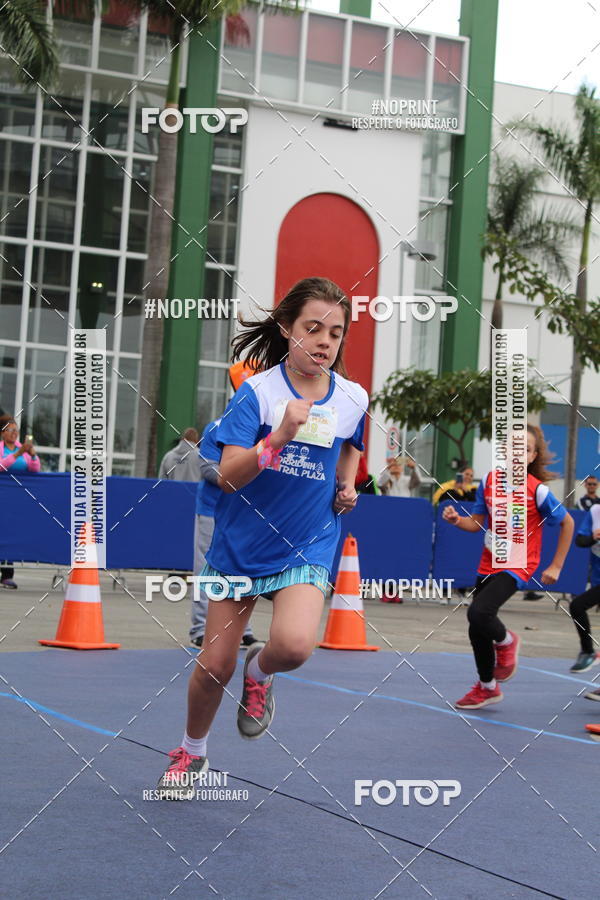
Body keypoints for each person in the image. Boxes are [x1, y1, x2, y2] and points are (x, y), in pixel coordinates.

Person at [156, 277, 368, 798]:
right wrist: (278, 438)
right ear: (286, 329)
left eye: (335, 333)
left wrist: (345, 485)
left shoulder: (352, 396)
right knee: (213, 668)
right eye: (312, 328)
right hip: (241, 547)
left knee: (294, 646)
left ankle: (263, 668)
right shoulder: (259, 393)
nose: (324, 341)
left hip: (308, 542)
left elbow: (351, 444)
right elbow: (227, 474)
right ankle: (193, 752)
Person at [442, 425, 574, 709]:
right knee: (476, 625)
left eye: (524, 449)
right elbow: (476, 522)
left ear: (531, 456)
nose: (517, 453)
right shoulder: (490, 481)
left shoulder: (536, 491)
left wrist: (557, 565)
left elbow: (567, 522)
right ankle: (487, 687)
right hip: (489, 563)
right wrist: (456, 520)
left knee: (481, 612)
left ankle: (506, 641)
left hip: (518, 564)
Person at [189, 418, 256, 649]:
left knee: (243, 571)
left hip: (243, 513)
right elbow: (207, 466)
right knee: (204, 569)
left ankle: (243, 629)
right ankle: (200, 628)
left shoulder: (260, 429)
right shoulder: (216, 428)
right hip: (211, 509)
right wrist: (239, 474)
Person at [1, 416, 41, 588]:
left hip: (16, 498)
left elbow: (35, 469)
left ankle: (7, 574)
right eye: (11, 430)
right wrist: (17, 454)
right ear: (2, 433)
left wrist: (32, 455)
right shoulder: (3, 449)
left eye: (17, 430)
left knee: (10, 533)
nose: (15, 433)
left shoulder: (21, 448)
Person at [568, 503, 600, 673]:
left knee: (577, 605)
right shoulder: (595, 512)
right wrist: (594, 537)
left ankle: (588, 651)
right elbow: (580, 541)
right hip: (597, 579)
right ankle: (587, 652)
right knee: (577, 606)